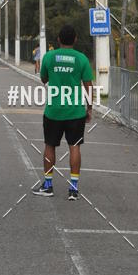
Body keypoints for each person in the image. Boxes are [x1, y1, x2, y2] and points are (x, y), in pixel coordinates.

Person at [34, 24, 93, 200]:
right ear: (75, 39)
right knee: (74, 146)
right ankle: (73, 188)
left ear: (58, 39)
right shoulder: (81, 59)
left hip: (54, 111)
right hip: (75, 111)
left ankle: (48, 185)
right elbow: (88, 86)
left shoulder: (49, 57)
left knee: (50, 146)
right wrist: (89, 108)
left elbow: (43, 78)